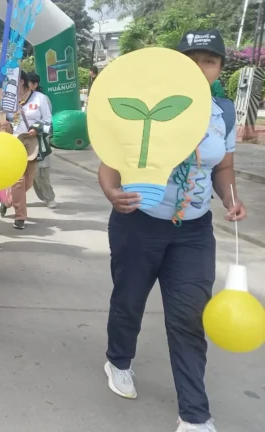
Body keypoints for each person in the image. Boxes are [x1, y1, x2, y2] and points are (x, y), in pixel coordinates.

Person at [100, 30, 246, 432]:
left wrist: (230, 197)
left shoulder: (223, 112)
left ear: (219, 68)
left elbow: (224, 167)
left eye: (210, 61)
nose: (200, 69)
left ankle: (195, 415)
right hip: (138, 223)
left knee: (188, 316)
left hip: (194, 231)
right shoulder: (149, 104)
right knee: (129, 301)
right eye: (192, 59)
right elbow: (112, 161)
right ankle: (118, 359)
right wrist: (112, 192)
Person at [0, 70, 52, 229]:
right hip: (14, 145)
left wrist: (36, 128)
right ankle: (20, 216)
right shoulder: (8, 100)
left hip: (32, 146)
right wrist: (4, 126)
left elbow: (49, 121)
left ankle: (8, 201)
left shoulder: (39, 98)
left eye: (12, 81)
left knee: (27, 183)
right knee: (18, 181)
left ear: (21, 81)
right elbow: (5, 120)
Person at [27, 72, 57, 209]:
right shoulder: (19, 99)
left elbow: (48, 120)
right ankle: (12, 200)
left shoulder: (42, 99)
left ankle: (49, 197)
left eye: (27, 84)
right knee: (26, 175)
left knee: (41, 173)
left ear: (35, 85)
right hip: (23, 141)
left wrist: (37, 129)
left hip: (39, 140)